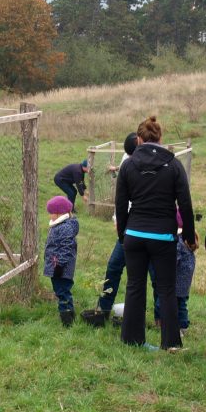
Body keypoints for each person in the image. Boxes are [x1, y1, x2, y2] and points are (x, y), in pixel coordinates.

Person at [116, 116, 197, 351]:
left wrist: (123, 234)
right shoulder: (173, 165)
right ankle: (171, 342)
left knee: (135, 286)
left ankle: (132, 339)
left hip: (134, 233)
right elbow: (185, 204)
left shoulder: (128, 165)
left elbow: (120, 204)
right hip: (163, 237)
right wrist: (188, 236)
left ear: (138, 139)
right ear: (160, 138)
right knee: (166, 289)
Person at [82, 132, 158, 327]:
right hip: (128, 230)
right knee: (114, 267)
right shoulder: (127, 161)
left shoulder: (156, 165)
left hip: (150, 229)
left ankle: (160, 318)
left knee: (155, 275)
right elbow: (121, 199)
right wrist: (118, 220)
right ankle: (104, 309)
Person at [154, 209, 197, 335]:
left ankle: (169, 324)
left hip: (175, 281)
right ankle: (183, 326)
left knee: (162, 303)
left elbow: (173, 260)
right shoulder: (188, 240)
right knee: (182, 304)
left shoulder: (177, 241)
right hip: (185, 282)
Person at [43, 195, 80, 327]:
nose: (50, 216)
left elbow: (66, 248)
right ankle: (69, 316)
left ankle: (67, 321)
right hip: (57, 266)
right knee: (61, 291)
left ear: (59, 213)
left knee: (62, 292)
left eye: (51, 213)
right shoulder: (60, 225)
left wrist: (59, 266)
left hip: (61, 268)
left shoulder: (64, 228)